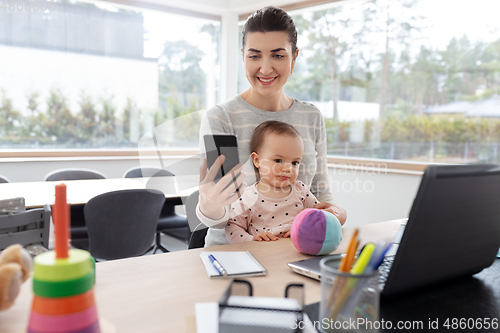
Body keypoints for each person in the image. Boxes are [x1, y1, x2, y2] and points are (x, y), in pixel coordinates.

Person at [197, 5, 347, 247]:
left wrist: (336, 212)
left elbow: (319, 192)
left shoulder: (311, 116)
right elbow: (217, 220)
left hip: (298, 251)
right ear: (243, 55)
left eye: (278, 55)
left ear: (294, 56)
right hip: (235, 256)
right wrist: (209, 204)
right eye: (254, 56)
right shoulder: (222, 117)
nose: (265, 69)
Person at [225, 121, 319, 243]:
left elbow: (318, 216)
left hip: (299, 252)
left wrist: (306, 226)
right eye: (278, 160)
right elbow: (233, 228)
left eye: (294, 163)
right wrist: (251, 240)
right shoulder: (247, 197)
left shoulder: (301, 190)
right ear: (257, 160)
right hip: (263, 255)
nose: (288, 169)